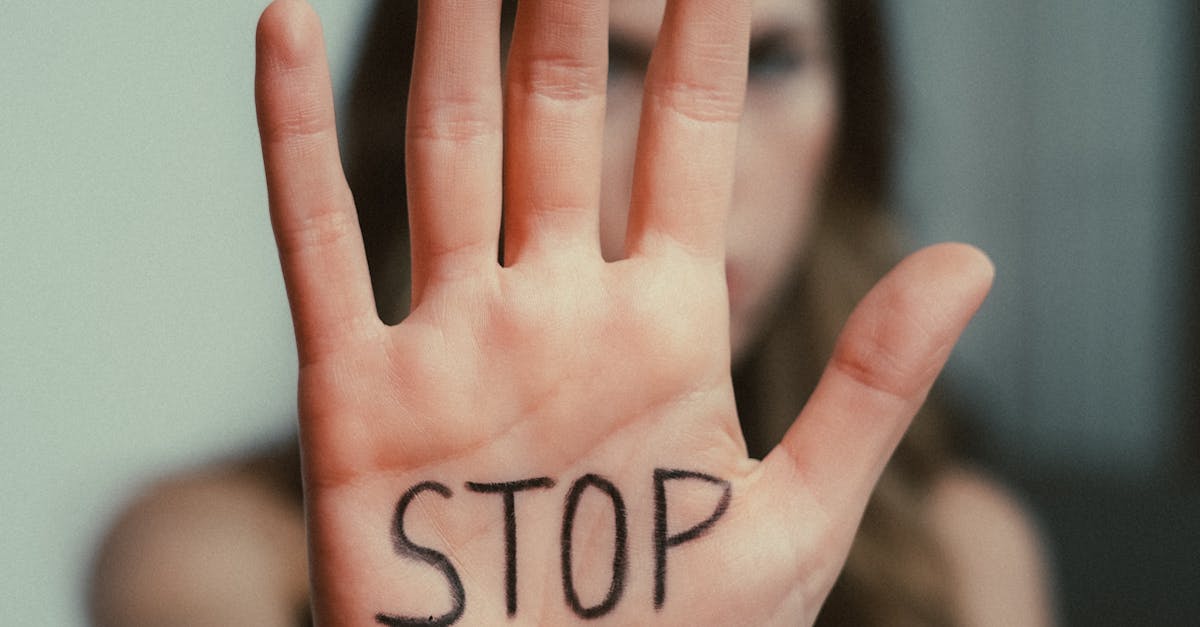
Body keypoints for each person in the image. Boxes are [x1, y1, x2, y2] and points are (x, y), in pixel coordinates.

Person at [89, 0, 1053, 625]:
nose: (712, 169)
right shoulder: (208, 557)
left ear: (853, 113)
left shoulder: (961, 561)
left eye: (770, 64)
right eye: (617, 67)